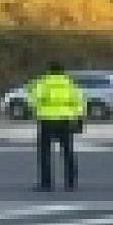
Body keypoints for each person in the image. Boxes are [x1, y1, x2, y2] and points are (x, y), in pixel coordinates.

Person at [28, 61, 84, 191]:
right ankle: (70, 183)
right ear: (63, 71)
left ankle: (46, 183)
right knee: (68, 152)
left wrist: (37, 111)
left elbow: (33, 99)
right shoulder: (70, 84)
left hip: (47, 120)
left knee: (45, 153)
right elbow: (79, 101)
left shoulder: (43, 83)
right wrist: (78, 118)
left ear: (49, 71)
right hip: (65, 120)